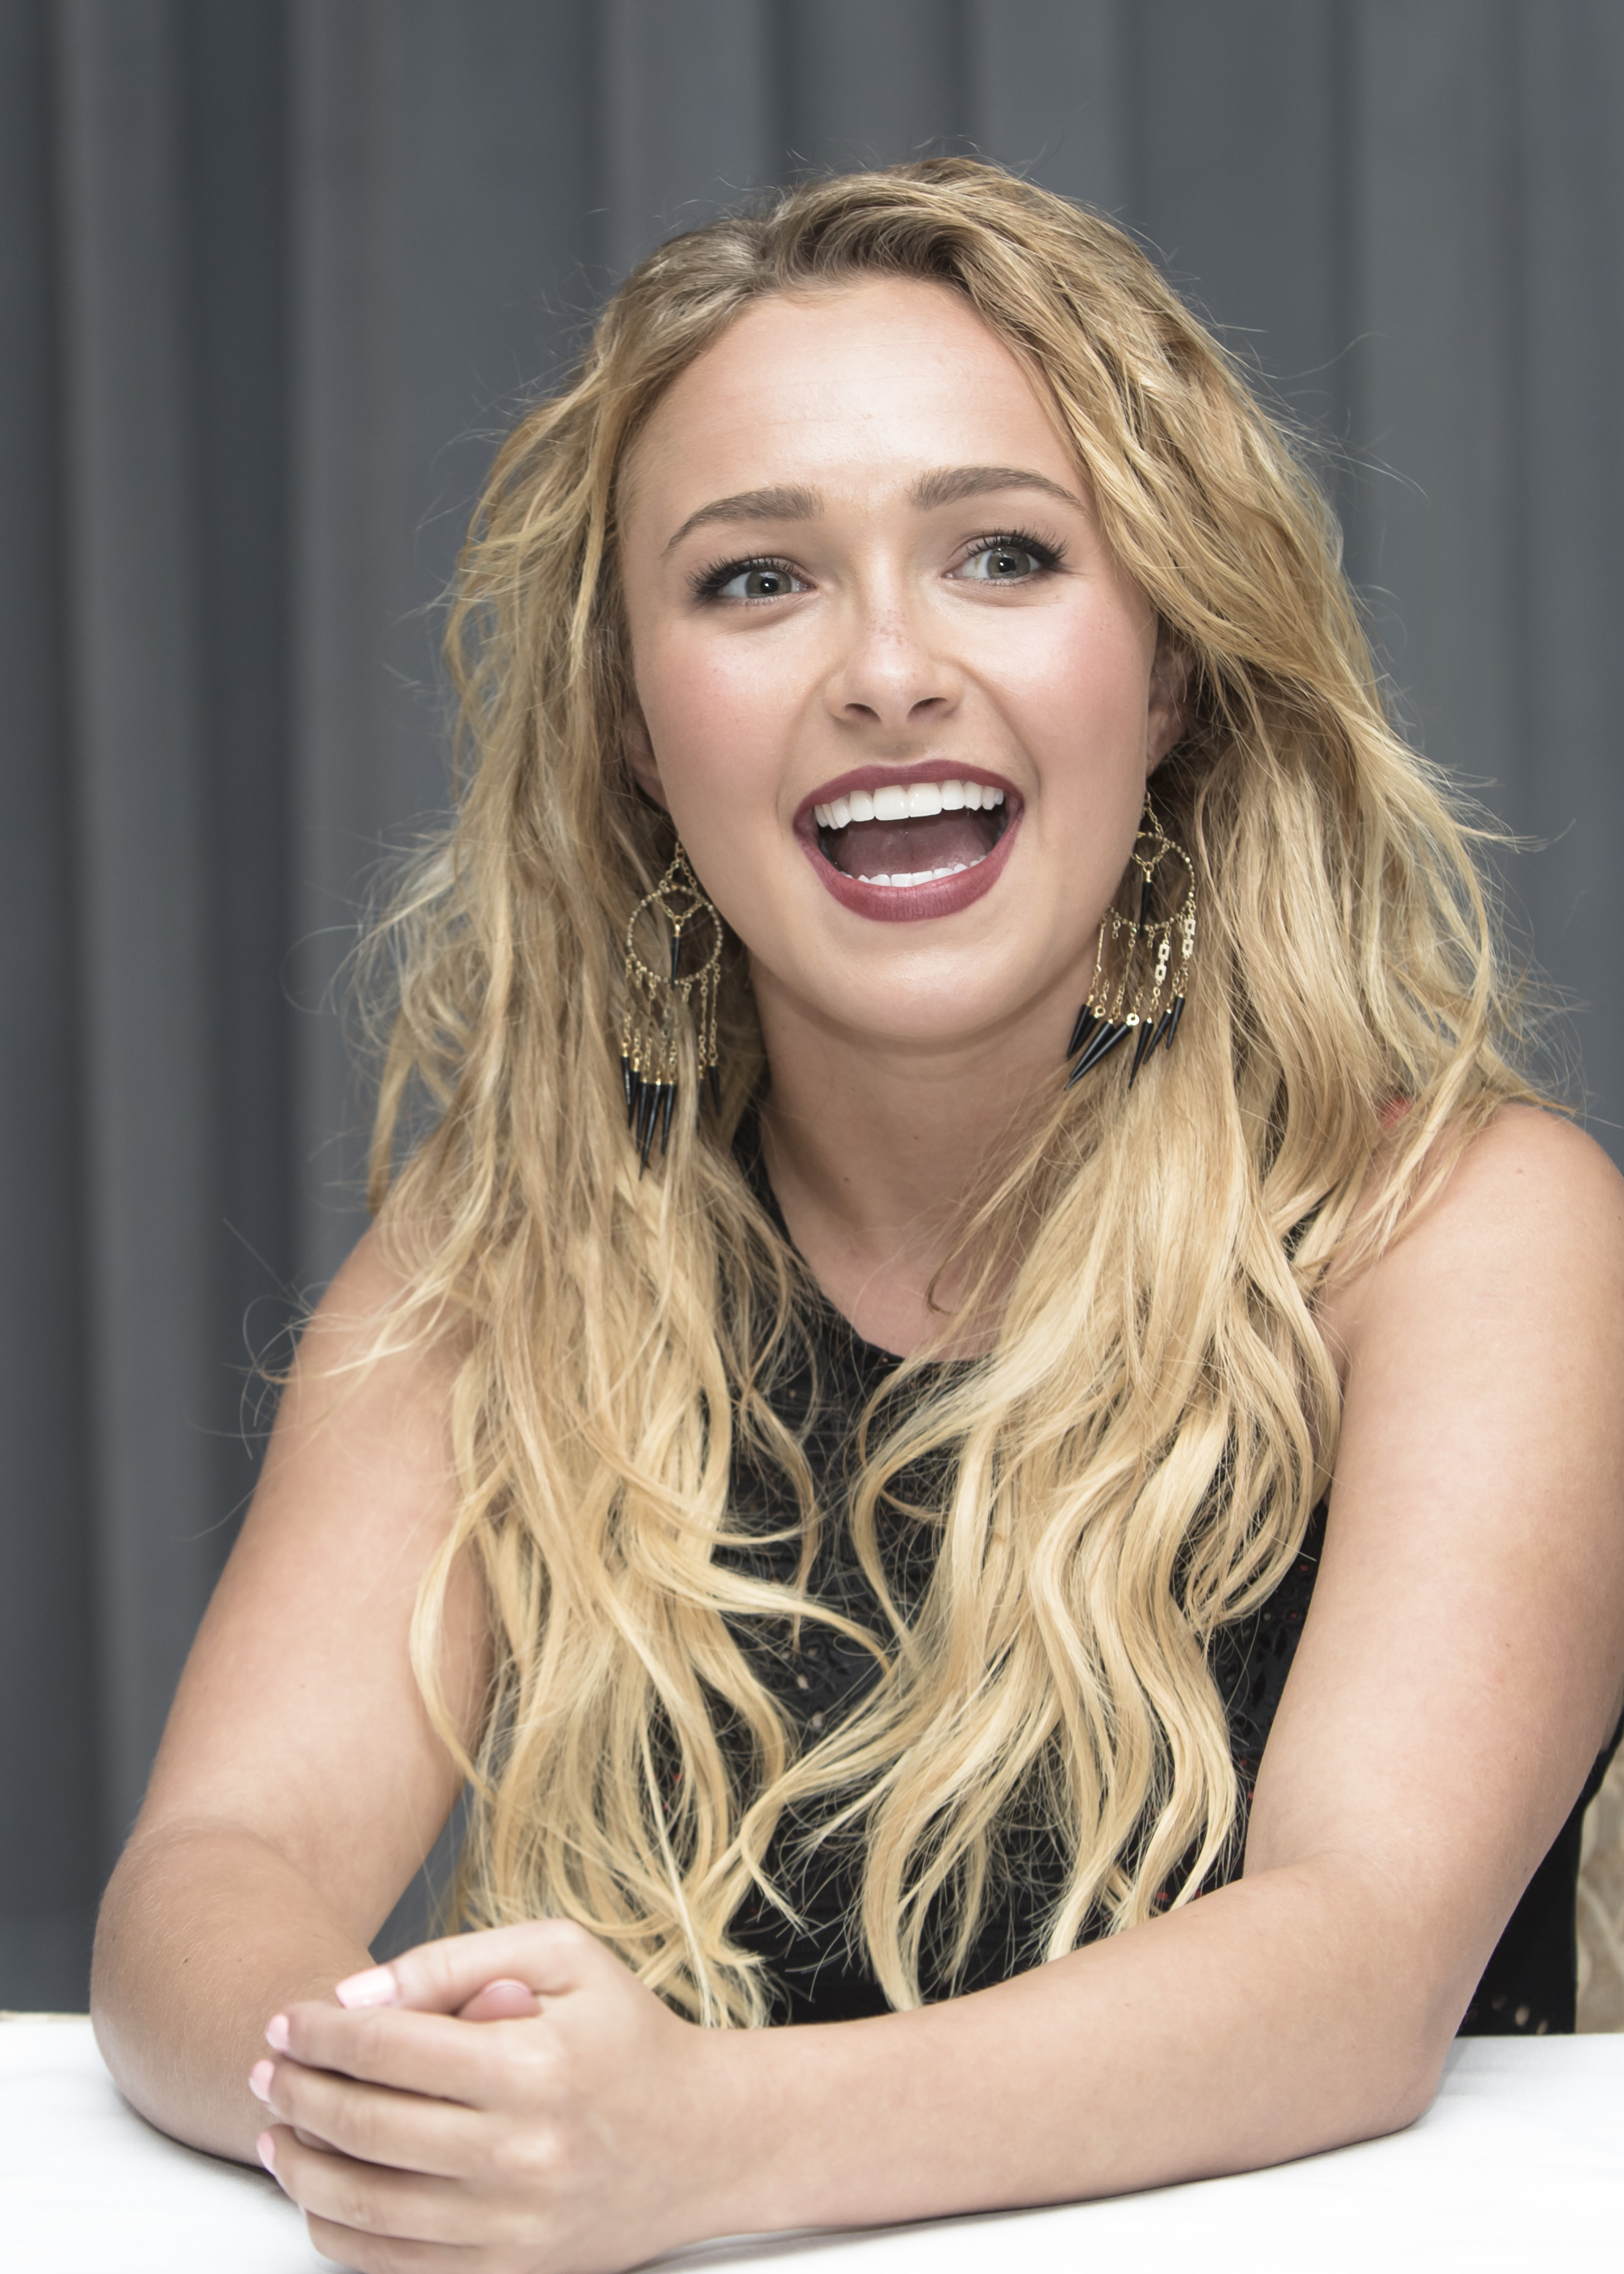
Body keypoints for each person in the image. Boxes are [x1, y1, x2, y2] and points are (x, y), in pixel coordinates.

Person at [91, 159, 1624, 2271]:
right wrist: (424, 2099)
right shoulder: (507, 1249)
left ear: (1170, 670)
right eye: (755, 581)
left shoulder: (1468, 1234)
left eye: (1006, 554)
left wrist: (693, 2147)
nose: (889, 670)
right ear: (636, 730)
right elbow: (207, 1875)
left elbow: (1356, 1966)